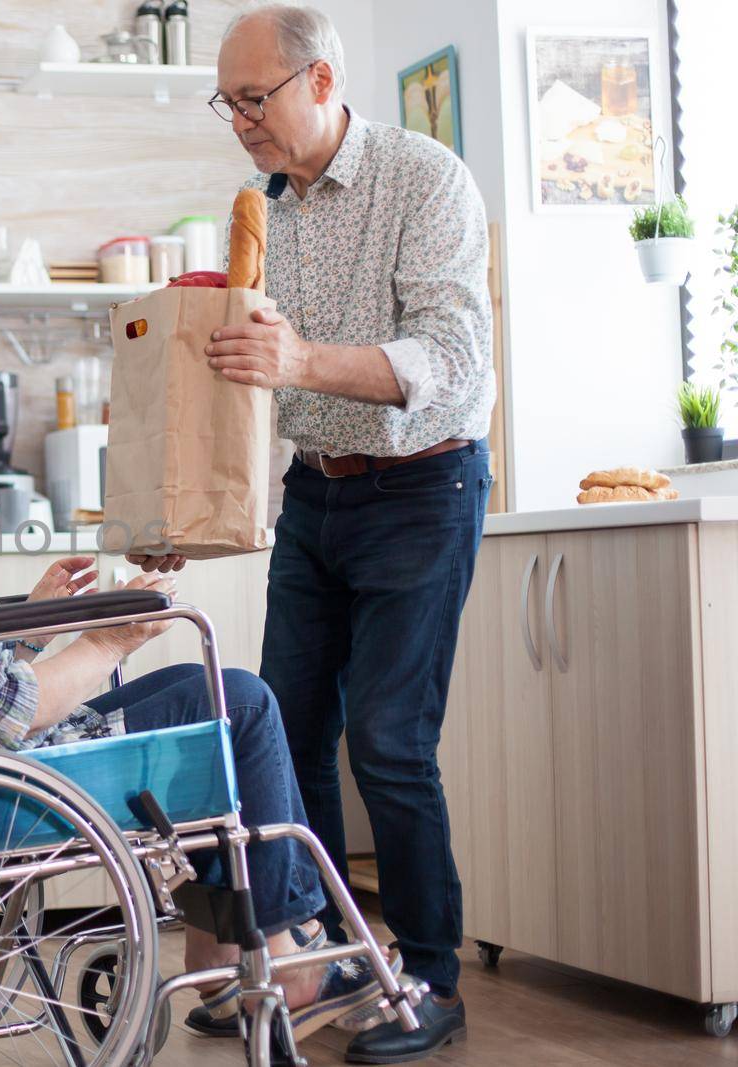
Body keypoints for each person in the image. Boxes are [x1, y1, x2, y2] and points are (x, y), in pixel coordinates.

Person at [0, 335, 402, 1044]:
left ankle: (217, 949)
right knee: (240, 701)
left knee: (205, 698)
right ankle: (285, 952)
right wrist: (108, 641)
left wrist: (29, 627)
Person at [145, 5, 493, 1062]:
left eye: (255, 98)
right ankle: (316, 953)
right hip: (315, 496)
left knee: (389, 740)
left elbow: (448, 359)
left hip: (421, 488)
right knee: (282, 736)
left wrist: (300, 362)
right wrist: (179, 514)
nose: (240, 121)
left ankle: (426, 973)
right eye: (228, 102)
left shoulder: (424, 179)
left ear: (324, 83)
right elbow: (252, 393)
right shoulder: (260, 209)